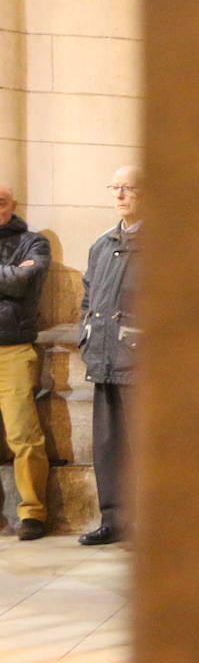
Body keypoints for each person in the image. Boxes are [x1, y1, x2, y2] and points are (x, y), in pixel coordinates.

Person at [77, 166, 143, 546]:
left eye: (128, 188)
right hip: (103, 356)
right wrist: (85, 333)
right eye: (115, 187)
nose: (120, 194)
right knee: (108, 444)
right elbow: (89, 295)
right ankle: (114, 518)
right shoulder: (102, 243)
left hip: (138, 360)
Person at [0, 183, 51, 540]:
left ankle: (32, 512)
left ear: (12, 204)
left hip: (12, 348)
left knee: (23, 435)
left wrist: (15, 275)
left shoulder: (33, 242)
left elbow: (24, 281)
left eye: (0, 201)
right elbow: (13, 276)